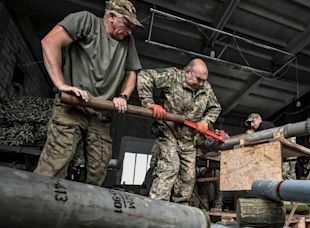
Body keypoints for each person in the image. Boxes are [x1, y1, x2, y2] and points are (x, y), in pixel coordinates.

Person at [34, 0, 143, 186]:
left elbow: (132, 71)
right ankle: (34, 207)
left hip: (101, 114)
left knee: (97, 173)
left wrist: (123, 96)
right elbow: (50, 42)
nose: (130, 31)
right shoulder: (86, 21)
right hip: (73, 107)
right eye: (127, 24)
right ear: (111, 17)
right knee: (54, 166)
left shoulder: (127, 41)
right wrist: (61, 84)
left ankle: (80, 213)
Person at [137, 58, 222, 204]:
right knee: (170, 169)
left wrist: (205, 122)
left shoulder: (205, 88)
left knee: (188, 178)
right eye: (199, 79)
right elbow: (145, 76)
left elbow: (216, 107)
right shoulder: (173, 76)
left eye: (204, 80)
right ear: (187, 72)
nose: (201, 83)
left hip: (189, 140)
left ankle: (179, 212)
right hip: (168, 133)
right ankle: (156, 210)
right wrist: (149, 103)